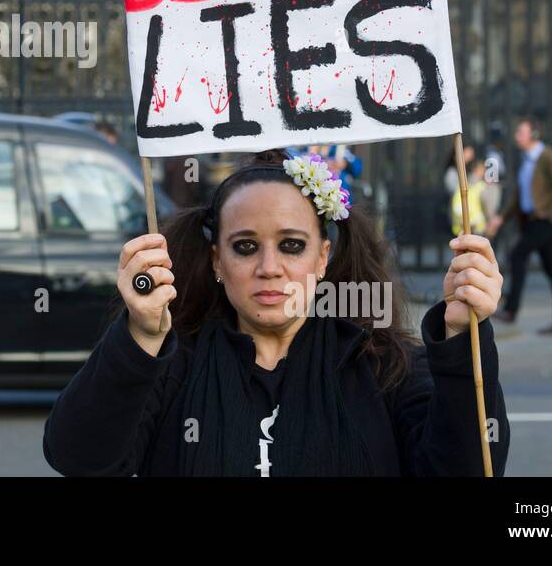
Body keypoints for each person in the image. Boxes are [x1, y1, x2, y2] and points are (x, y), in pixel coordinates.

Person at [42, 149, 510, 476]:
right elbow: (79, 458)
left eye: (292, 245)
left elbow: (466, 468)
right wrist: (139, 337)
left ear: (322, 257)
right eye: (246, 247)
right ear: (216, 261)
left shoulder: (385, 366)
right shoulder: (173, 367)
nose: (270, 268)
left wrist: (460, 340)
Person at [488, 118, 552, 333]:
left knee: (517, 255)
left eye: (521, 132)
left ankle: (511, 309)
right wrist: (501, 217)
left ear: (533, 136)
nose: (517, 135)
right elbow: (520, 196)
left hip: (543, 221)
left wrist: (548, 208)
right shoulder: (527, 160)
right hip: (530, 221)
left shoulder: (547, 158)